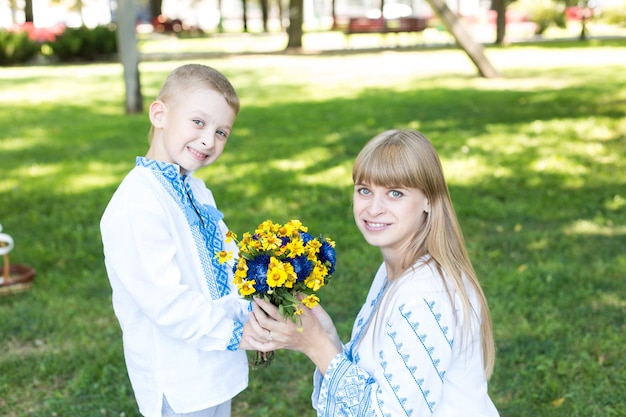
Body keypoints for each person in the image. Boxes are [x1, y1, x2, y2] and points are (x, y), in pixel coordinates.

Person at [247, 129, 499, 416]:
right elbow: (379, 375)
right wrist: (325, 336)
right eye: (365, 190)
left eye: (395, 193)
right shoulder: (394, 268)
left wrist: (315, 346)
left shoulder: (425, 295)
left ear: (429, 200)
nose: (374, 208)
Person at [101, 64, 263, 417]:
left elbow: (227, 260)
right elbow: (165, 301)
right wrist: (240, 334)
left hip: (217, 366)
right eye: (198, 122)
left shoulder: (195, 189)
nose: (209, 140)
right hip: (180, 379)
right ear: (159, 114)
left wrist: (254, 309)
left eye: (222, 132)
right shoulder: (137, 203)